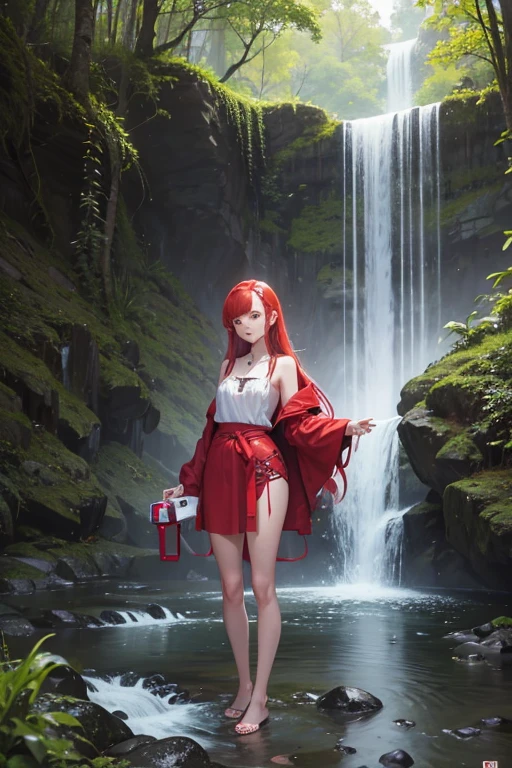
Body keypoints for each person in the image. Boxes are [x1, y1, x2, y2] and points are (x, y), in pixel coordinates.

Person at [163, 279, 374, 735]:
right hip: (221, 469)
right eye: (238, 318)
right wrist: (187, 484)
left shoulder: (282, 366)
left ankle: (260, 698)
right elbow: (210, 434)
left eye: (254, 315)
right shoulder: (227, 364)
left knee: (262, 585)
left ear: (272, 317)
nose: (245, 324)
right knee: (231, 588)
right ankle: (242, 686)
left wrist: (343, 429)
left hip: (264, 472)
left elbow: (298, 426)